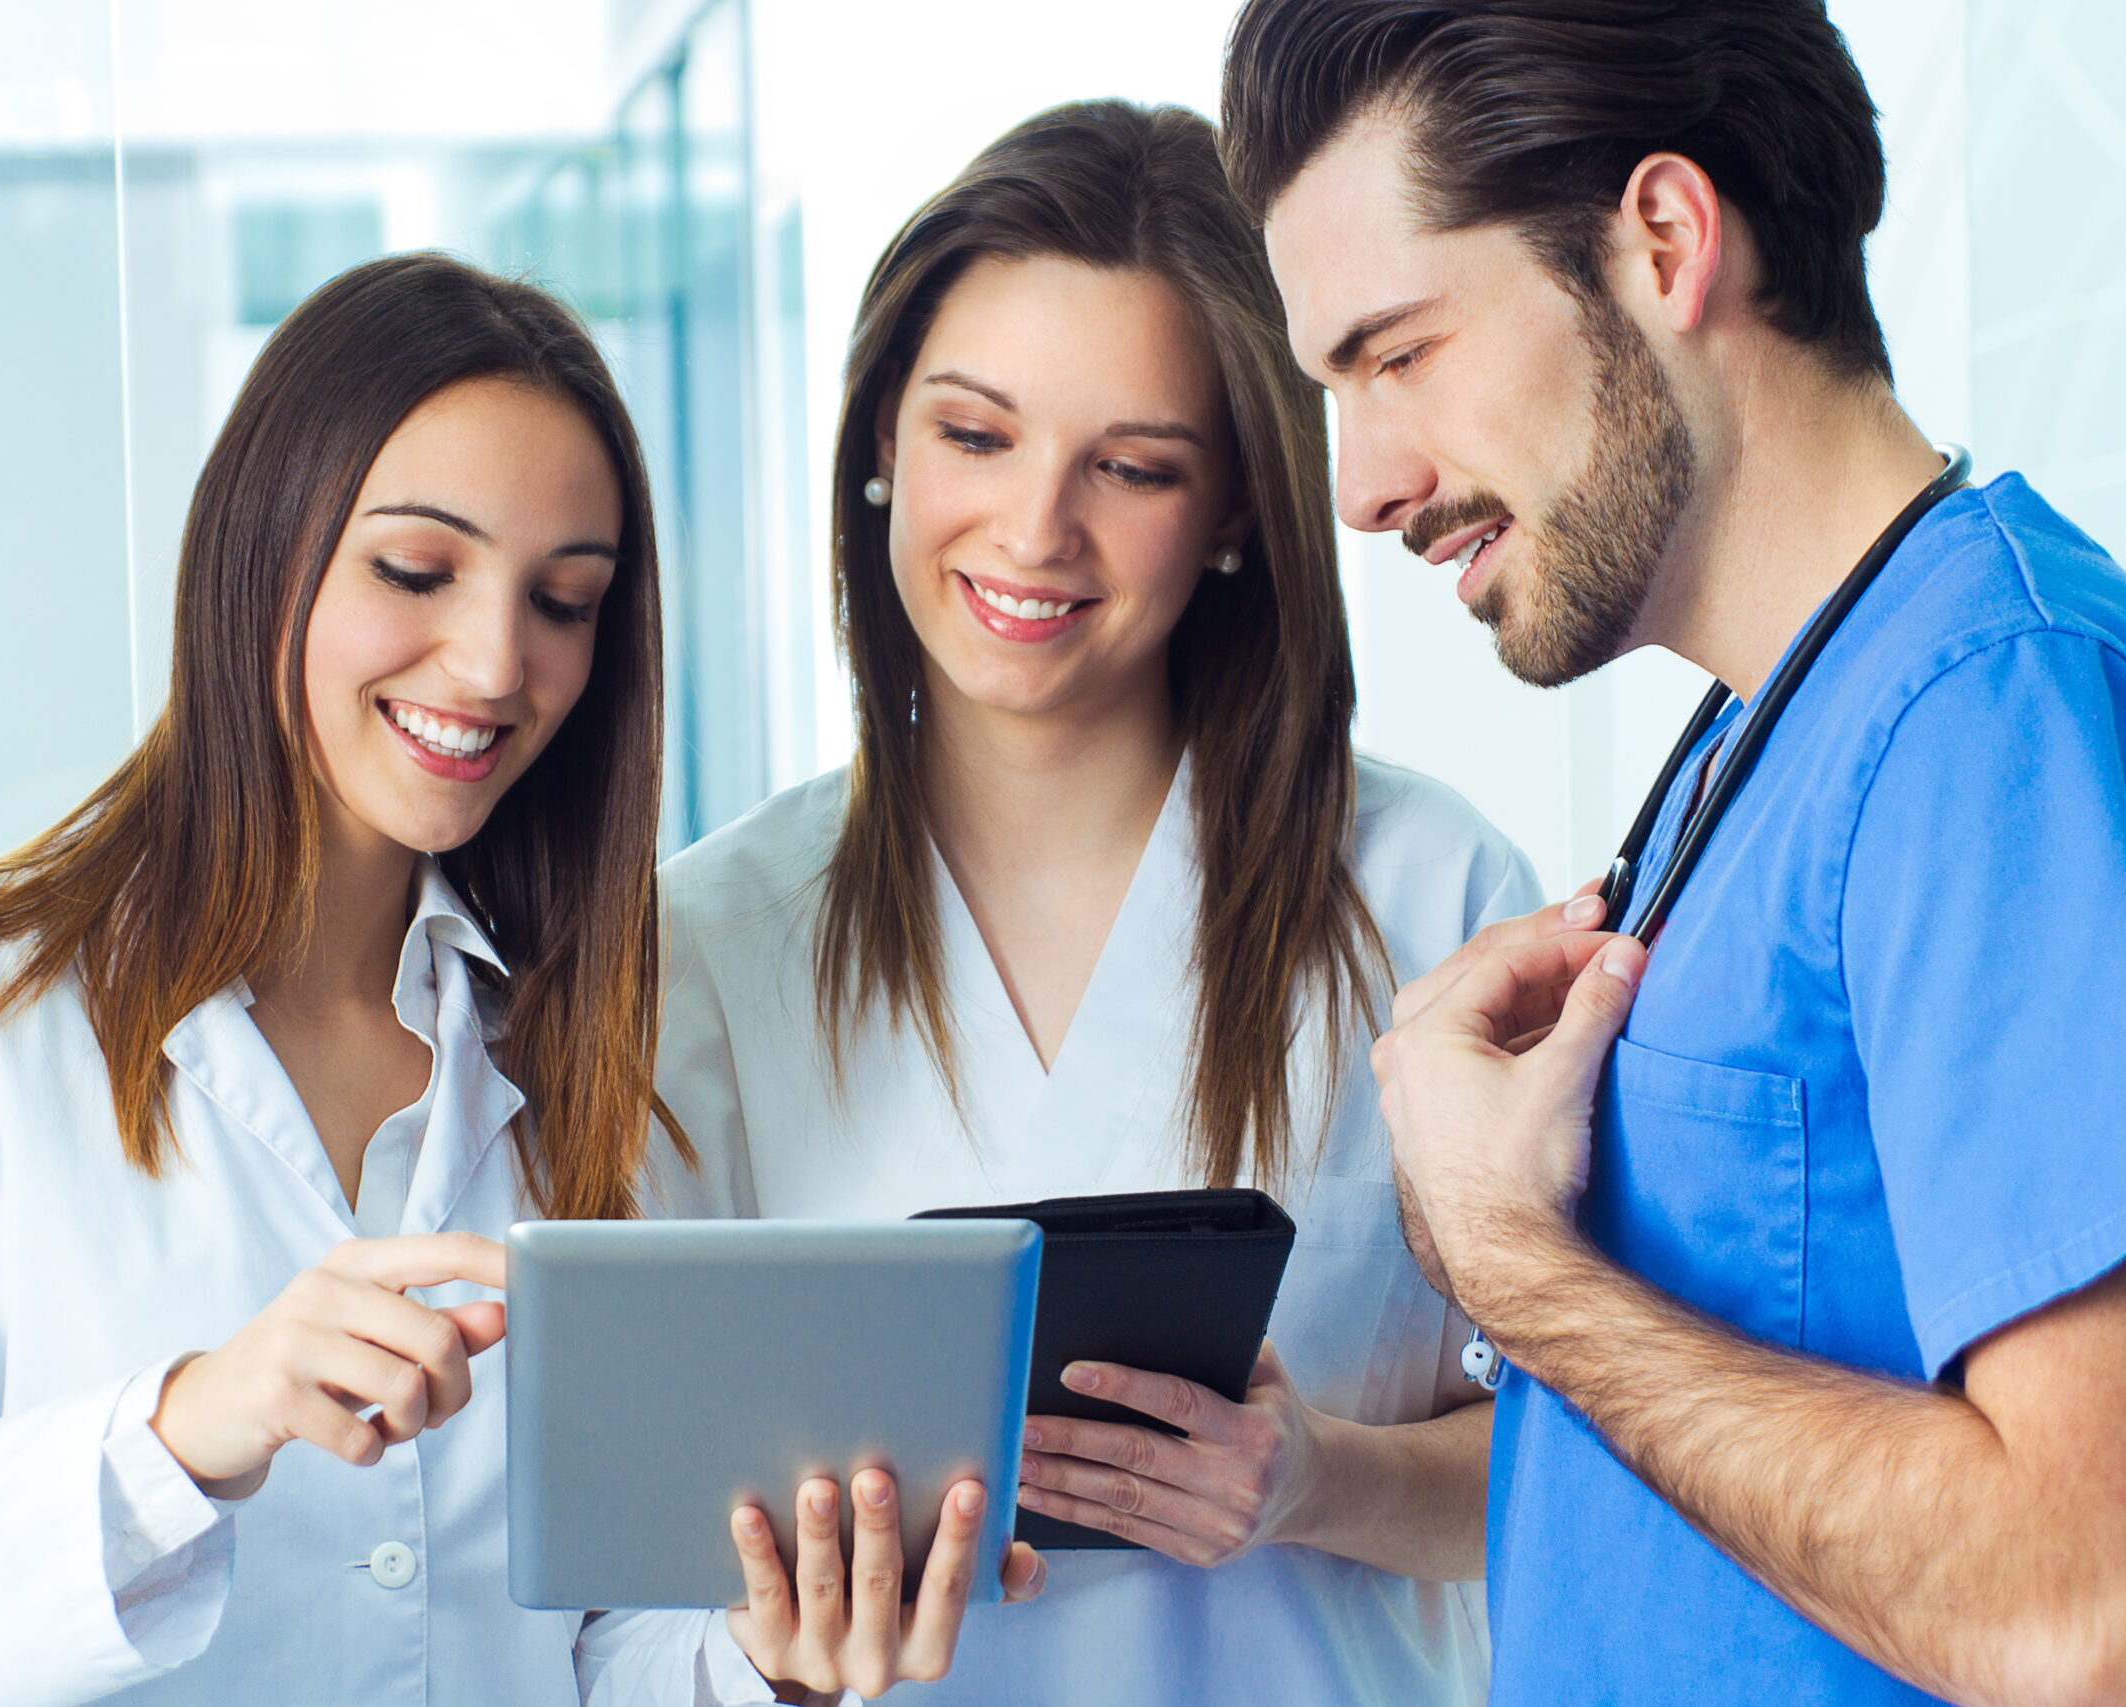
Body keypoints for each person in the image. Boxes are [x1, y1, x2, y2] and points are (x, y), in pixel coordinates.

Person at [0, 253, 1013, 1706]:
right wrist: (183, 1432)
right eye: (416, 570)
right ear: (260, 547)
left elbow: (594, 1645)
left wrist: (771, 1663)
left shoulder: (590, 1055)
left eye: (565, 601)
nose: (491, 662)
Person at [1219, 2, 2126, 1704]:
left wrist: (1513, 1271)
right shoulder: (1773, 735)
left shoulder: (2005, 714)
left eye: (1397, 356)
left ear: (1661, 238)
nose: (1360, 484)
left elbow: (2109, 1616)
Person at [650, 100, 1536, 1707]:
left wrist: (1313, 1477)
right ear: (878, 448)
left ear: (1240, 515)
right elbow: (622, 1591)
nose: (1034, 530)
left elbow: (1597, 1466)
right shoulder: (703, 947)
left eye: (1131, 468)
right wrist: (773, 1660)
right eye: (974, 437)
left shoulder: (1433, 897)